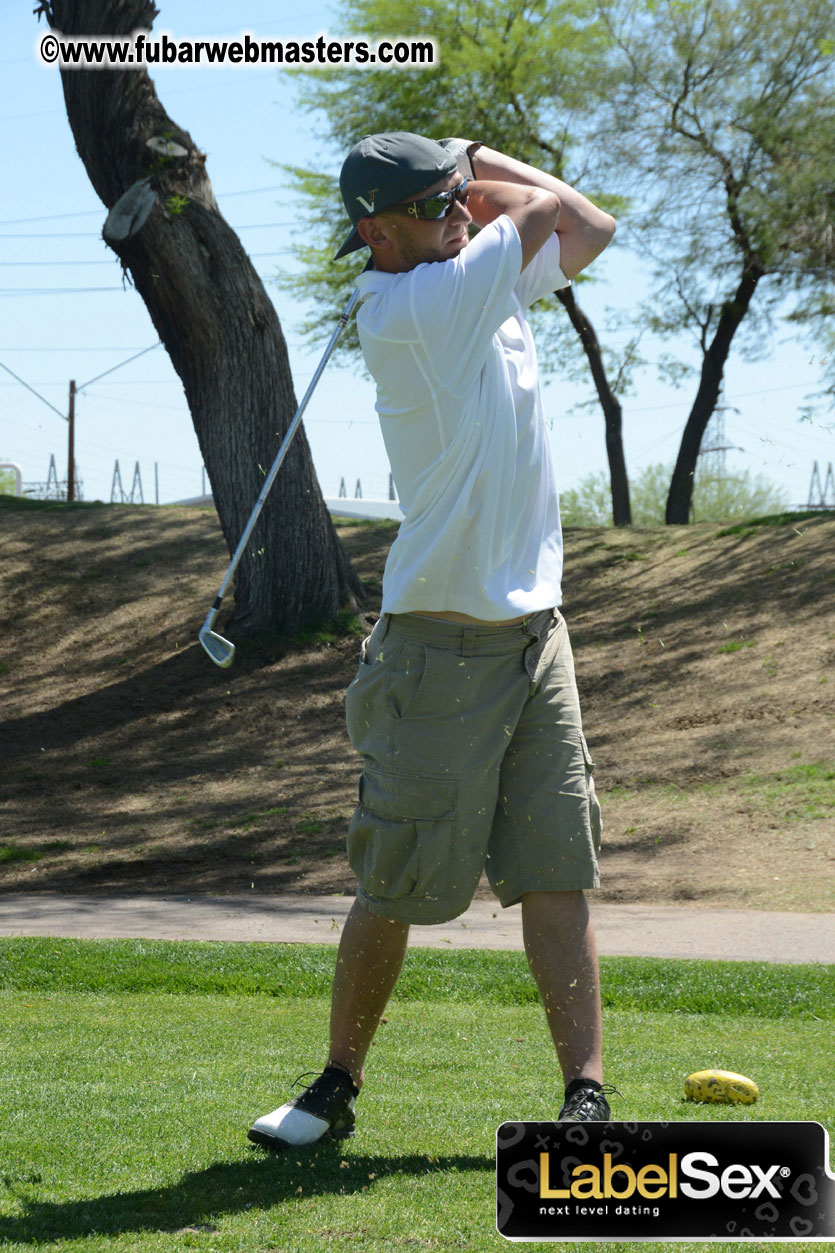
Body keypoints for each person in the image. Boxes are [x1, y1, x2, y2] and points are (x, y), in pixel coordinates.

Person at [249, 132, 618, 1150]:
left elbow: (594, 226)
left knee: (556, 865)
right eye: (438, 205)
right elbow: (543, 214)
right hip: (437, 647)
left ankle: (583, 1095)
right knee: (399, 877)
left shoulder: (471, 284)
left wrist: (461, 164)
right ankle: (332, 1084)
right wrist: (476, 164)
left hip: (535, 632)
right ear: (378, 232)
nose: (462, 211)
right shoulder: (416, 305)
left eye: (461, 200)